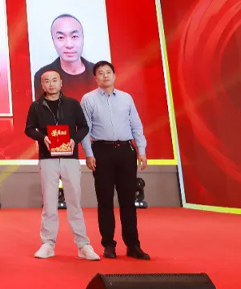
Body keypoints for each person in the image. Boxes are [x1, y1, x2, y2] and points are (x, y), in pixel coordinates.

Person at [24, 71, 100, 261]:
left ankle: (83, 245)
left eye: (54, 80)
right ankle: (48, 244)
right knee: (49, 203)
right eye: (46, 81)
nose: (51, 84)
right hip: (47, 158)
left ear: (61, 83)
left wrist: (74, 140)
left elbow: (84, 127)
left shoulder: (72, 104)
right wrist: (43, 138)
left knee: (74, 202)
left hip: (70, 158)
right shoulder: (36, 106)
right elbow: (29, 129)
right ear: (42, 85)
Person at [81, 61, 150, 260]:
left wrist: (141, 150)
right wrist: (88, 154)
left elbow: (136, 125)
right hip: (101, 151)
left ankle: (133, 245)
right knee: (105, 200)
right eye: (100, 73)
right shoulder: (88, 99)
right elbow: (84, 129)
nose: (105, 76)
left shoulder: (126, 98)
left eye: (108, 72)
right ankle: (108, 244)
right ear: (95, 78)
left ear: (114, 75)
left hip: (126, 151)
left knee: (128, 200)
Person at [33, 14, 98, 101]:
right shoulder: (42, 76)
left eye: (74, 36)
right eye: (61, 37)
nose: (69, 45)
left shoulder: (99, 73)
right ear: (53, 41)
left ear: (83, 38)